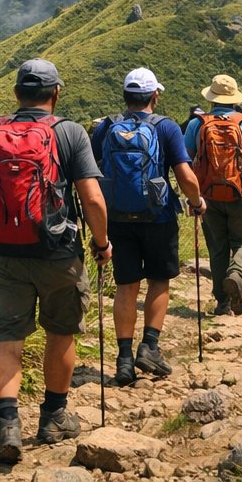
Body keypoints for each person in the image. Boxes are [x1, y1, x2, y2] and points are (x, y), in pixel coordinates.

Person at [0, 58, 112, 465]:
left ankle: (8, 425)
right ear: (56, 93)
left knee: (8, 339)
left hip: (5, 253)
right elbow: (93, 198)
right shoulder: (70, 133)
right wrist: (102, 243)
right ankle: (53, 416)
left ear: (15, 94)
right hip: (59, 253)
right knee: (61, 334)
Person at [90, 68, 204, 385]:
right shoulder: (166, 128)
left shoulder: (106, 127)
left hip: (116, 218)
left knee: (126, 286)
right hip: (159, 216)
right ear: (155, 96)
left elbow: (91, 172)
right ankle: (149, 347)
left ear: (126, 97)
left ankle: (124, 359)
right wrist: (196, 203)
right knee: (158, 280)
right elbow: (184, 176)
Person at [183, 75, 242, 316]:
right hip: (241, 193)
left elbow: (184, 161)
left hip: (208, 196)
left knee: (217, 247)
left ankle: (222, 302)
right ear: (234, 100)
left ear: (211, 100)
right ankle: (238, 273)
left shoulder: (197, 124)